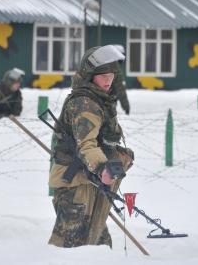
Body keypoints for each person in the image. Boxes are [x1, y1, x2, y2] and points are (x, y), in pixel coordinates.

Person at [48, 45, 134, 248]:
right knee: (66, 250)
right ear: (90, 75)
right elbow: (87, 144)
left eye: (111, 75)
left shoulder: (100, 101)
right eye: (102, 75)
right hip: (76, 186)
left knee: (99, 247)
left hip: (90, 181)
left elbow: (102, 140)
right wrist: (103, 167)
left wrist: (121, 155)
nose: (108, 80)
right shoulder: (84, 103)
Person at [111, 45, 130, 115]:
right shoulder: (114, 66)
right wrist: (126, 106)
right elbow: (120, 87)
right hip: (108, 102)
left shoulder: (104, 63)